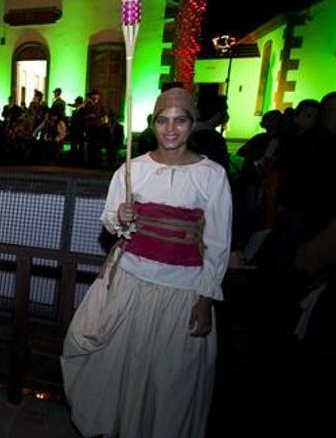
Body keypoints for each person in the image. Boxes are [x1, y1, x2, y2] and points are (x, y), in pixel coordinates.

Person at [61, 87, 232, 437]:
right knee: (117, 366)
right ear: (152, 123)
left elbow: (217, 243)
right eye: (162, 120)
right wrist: (122, 217)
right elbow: (111, 220)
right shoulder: (132, 170)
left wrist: (205, 297)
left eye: (180, 120)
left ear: (192, 123)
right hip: (130, 283)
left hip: (180, 291)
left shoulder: (211, 175)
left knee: (168, 378)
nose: (170, 129)